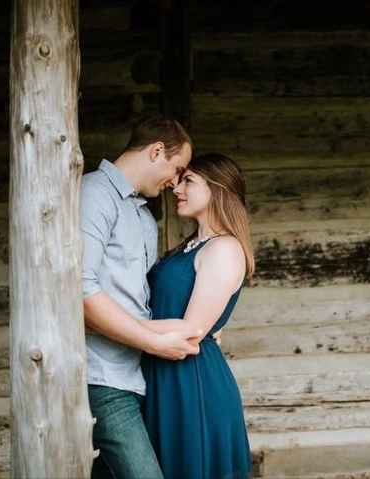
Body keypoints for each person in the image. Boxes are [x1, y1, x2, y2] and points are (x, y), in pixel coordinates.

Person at [81, 116, 201, 479]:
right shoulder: (92, 194)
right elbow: (79, 291)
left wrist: (193, 327)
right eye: (177, 168)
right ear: (157, 151)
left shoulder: (143, 217)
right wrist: (154, 342)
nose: (175, 182)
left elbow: (137, 302)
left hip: (135, 377)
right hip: (101, 376)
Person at [140, 153, 255, 479]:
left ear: (218, 189)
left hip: (192, 383)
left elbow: (192, 329)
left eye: (188, 180)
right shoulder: (192, 246)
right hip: (164, 373)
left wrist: (112, 324)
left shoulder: (224, 248)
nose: (176, 187)